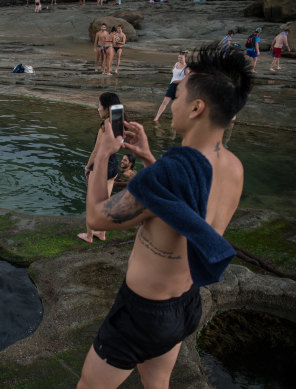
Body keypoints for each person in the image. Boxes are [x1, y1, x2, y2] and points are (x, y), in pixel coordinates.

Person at [77, 44, 253, 389]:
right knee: (157, 383)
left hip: (142, 313)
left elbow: (97, 217)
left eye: (177, 94)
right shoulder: (233, 166)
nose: (172, 102)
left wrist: (103, 152)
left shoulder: (170, 173)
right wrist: (146, 156)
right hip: (185, 303)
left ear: (197, 107)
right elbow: (185, 205)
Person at [78, 92, 125, 244]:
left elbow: (96, 151)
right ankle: (102, 232)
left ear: (106, 108)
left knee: (91, 201)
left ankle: (89, 235)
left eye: (99, 106)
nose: (98, 109)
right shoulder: (119, 122)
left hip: (100, 164)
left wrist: (87, 167)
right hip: (113, 164)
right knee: (106, 200)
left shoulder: (105, 125)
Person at [153, 50, 189, 121]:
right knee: (165, 102)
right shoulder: (176, 64)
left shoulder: (186, 68)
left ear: (185, 58)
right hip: (172, 85)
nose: (179, 59)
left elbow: (188, 79)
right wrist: (174, 78)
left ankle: (178, 119)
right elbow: (173, 70)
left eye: (181, 58)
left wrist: (178, 81)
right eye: (178, 57)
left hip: (180, 87)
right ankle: (156, 118)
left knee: (178, 104)